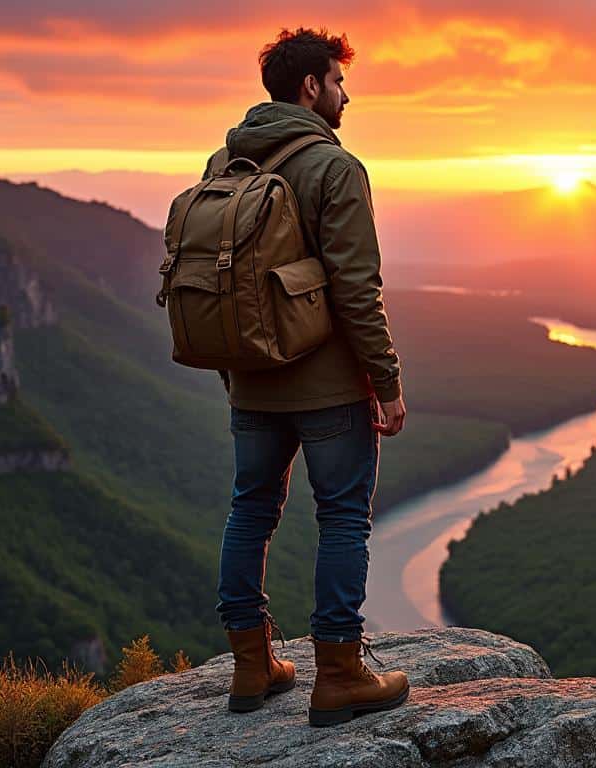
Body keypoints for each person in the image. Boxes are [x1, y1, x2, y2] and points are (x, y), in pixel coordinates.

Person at [206, 26, 409, 726]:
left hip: (251, 378)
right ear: (310, 88)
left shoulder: (224, 159)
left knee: (250, 509)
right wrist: (385, 380)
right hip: (327, 387)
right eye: (339, 80)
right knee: (343, 517)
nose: (346, 94)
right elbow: (358, 287)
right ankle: (341, 674)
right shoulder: (334, 167)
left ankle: (251, 665)